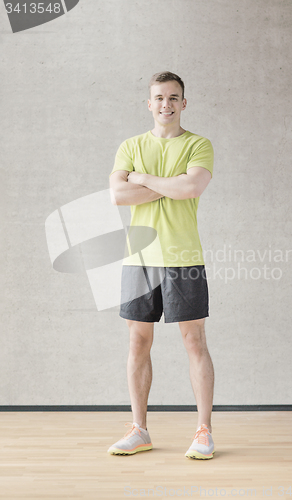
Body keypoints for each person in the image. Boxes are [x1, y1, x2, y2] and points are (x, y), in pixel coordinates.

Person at [108, 71, 215, 460]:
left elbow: (190, 188)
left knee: (194, 341)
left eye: (173, 98)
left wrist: (144, 179)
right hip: (138, 260)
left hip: (184, 258)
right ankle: (139, 429)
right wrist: (168, 184)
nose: (166, 104)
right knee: (137, 342)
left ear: (183, 103)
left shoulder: (198, 145)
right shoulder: (131, 145)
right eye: (159, 98)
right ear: (149, 103)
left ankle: (203, 431)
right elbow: (118, 196)